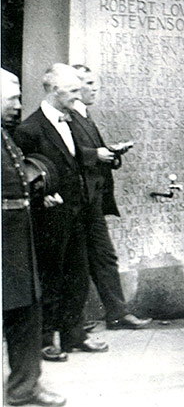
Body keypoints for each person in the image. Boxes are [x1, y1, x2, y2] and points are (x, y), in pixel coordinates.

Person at [14, 64, 109, 360]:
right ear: (55, 91)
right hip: (48, 221)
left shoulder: (72, 121)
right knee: (50, 279)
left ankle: (73, 335)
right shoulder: (28, 129)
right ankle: (44, 339)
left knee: (78, 277)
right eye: (73, 90)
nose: (79, 95)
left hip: (76, 215)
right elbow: (22, 176)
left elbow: (77, 161)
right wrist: (42, 196)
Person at [2, 69, 66, 407]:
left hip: (15, 242)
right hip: (5, 245)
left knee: (25, 314)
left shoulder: (4, 133)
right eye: (12, 98)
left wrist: (36, 193)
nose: (18, 105)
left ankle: (24, 387)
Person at [70, 65, 151, 331]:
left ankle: (117, 314)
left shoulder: (84, 115)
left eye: (95, 83)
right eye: (89, 83)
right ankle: (74, 323)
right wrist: (96, 155)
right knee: (78, 264)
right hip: (78, 202)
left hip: (92, 201)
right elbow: (64, 155)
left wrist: (110, 154)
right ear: (74, 85)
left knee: (104, 258)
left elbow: (88, 152)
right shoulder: (66, 117)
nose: (95, 88)